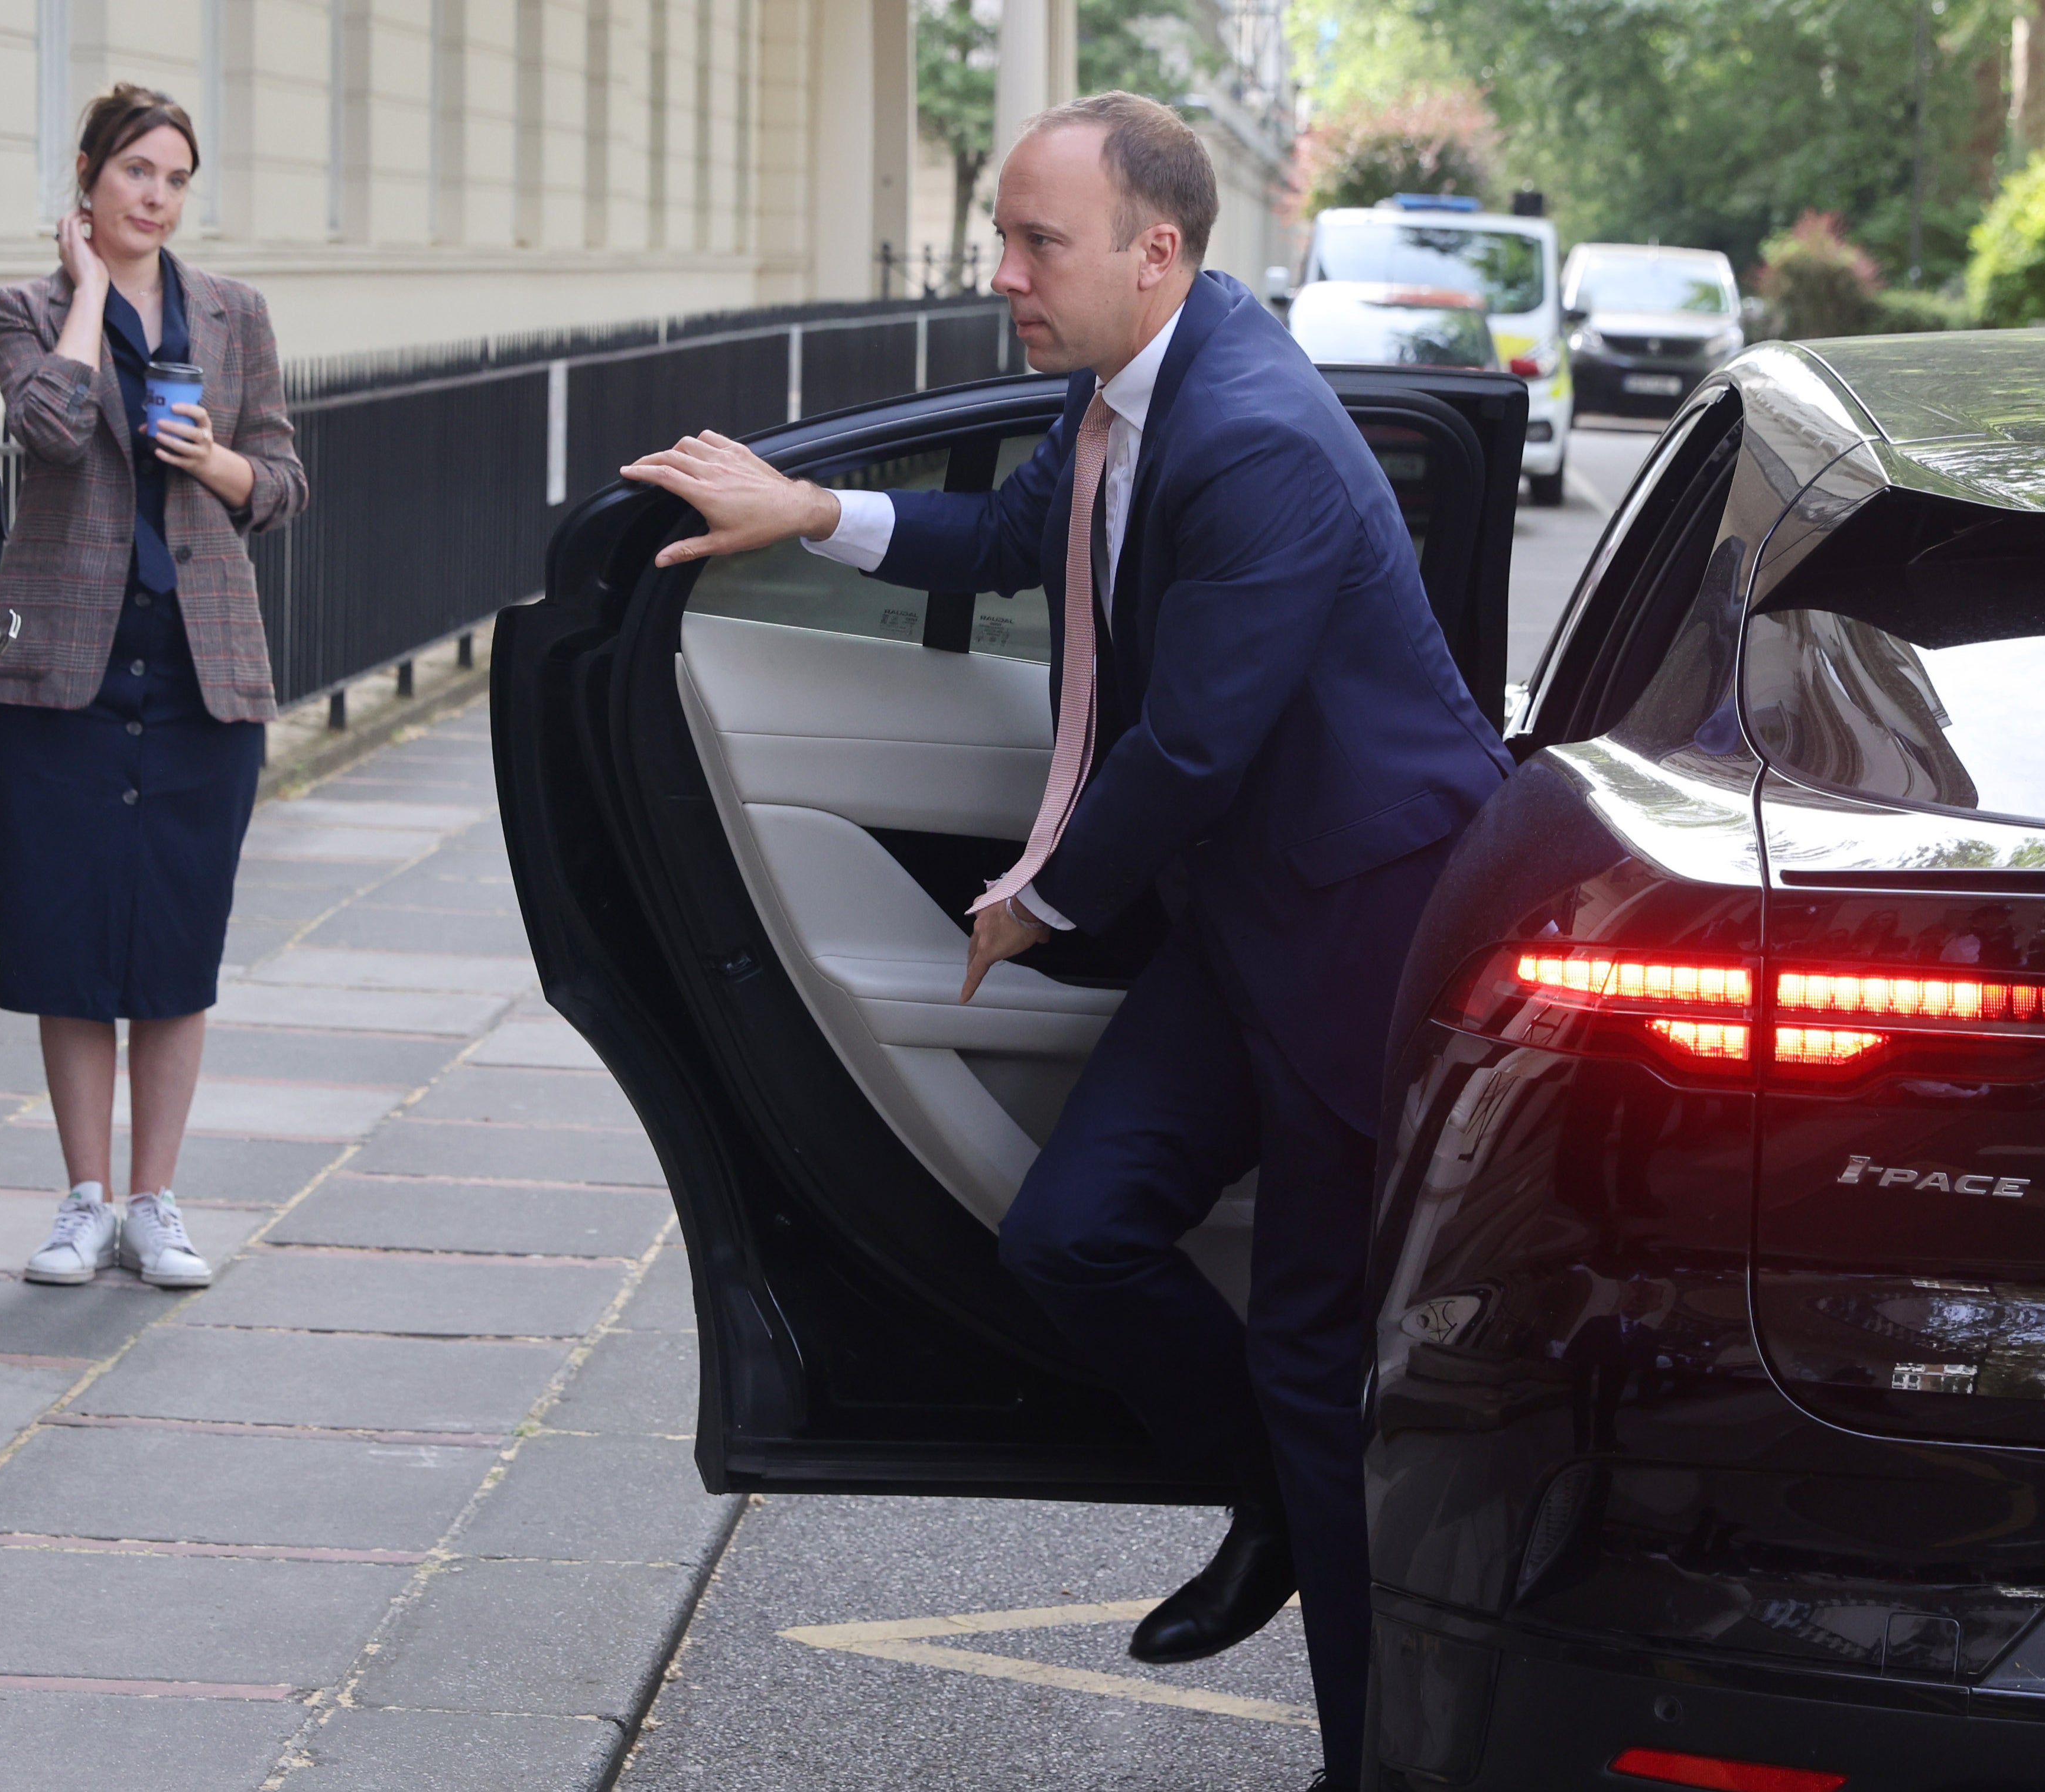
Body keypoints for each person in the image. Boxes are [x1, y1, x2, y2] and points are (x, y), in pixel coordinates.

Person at [620, 92, 1511, 1789]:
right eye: (1004, 238)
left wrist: (1037, 902)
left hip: (1358, 941)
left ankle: (1373, 1758)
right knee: (1072, 1237)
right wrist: (811, 514)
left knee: (1322, 1360)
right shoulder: (1120, 398)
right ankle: (1266, 1495)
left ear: (1153, 252)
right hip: (1243, 925)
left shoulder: (1248, 430)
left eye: (1037, 243)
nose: (1002, 275)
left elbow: (1195, 744)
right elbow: (1023, 543)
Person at [0, 84, 305, 1291]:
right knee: (66, 940)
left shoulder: (233, 314)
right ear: (87, 178)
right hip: (62, 663)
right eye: (134, 173)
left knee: (173, 943)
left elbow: (281, 481)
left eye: (174, 176)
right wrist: (85, 305)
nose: (155, 195)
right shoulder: (21, 307)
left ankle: (156, 1200)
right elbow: (50, 433)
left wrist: (213, 458)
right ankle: (82, 1200)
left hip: (199, 668)